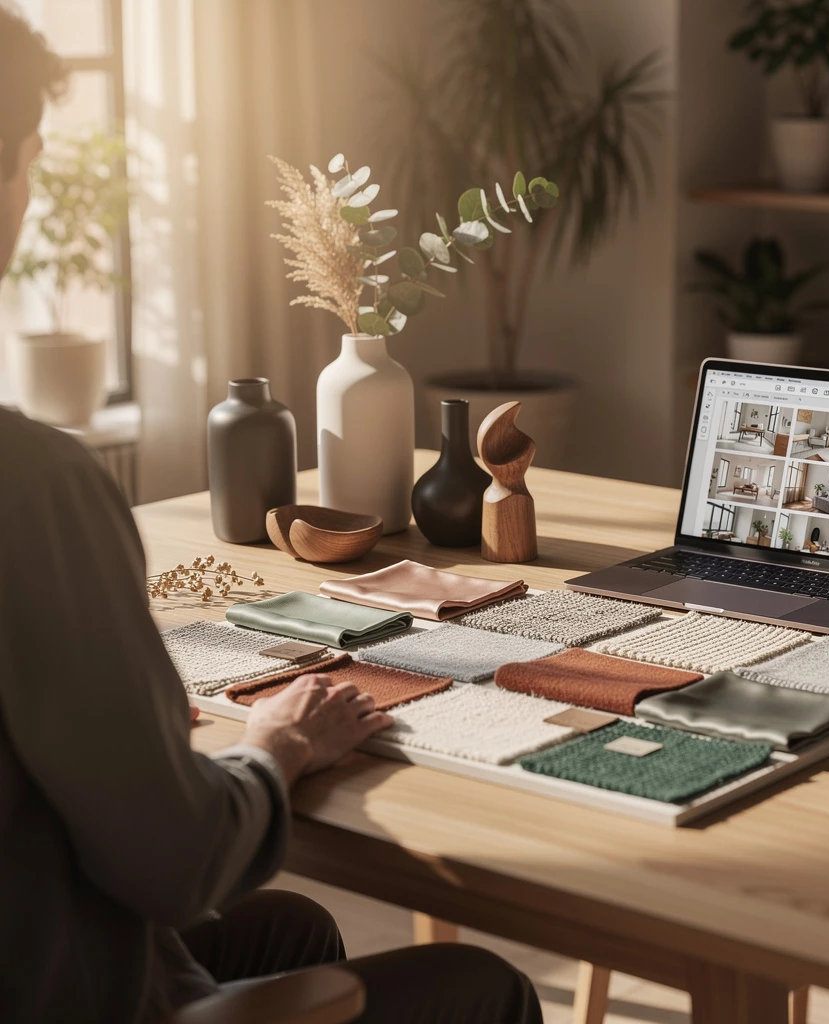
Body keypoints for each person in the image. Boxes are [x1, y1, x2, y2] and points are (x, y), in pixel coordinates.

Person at [0, 7, 543, 1023]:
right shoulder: (33, 487)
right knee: (485, 988)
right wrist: (276, 746)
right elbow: (175, 861)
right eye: (27, 162)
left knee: (290, 929)